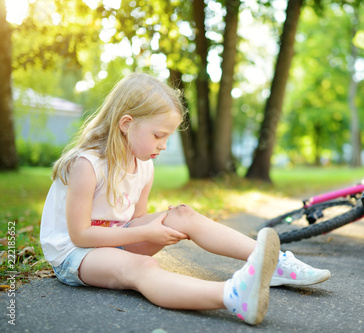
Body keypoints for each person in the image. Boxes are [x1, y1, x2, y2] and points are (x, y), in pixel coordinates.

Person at [40, 73, 331, 325]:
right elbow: (80, 235)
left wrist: (145, 229)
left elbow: (133, 221)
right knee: (142, 269)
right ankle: (233, 296)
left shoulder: (144, 165)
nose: (163, 145)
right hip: (74, 253)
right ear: (126, 124)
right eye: (158, 135)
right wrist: (147, 232)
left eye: (167, 137)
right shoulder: (87, 164)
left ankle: (271, 262)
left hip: (114, 239)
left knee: (183, 214)